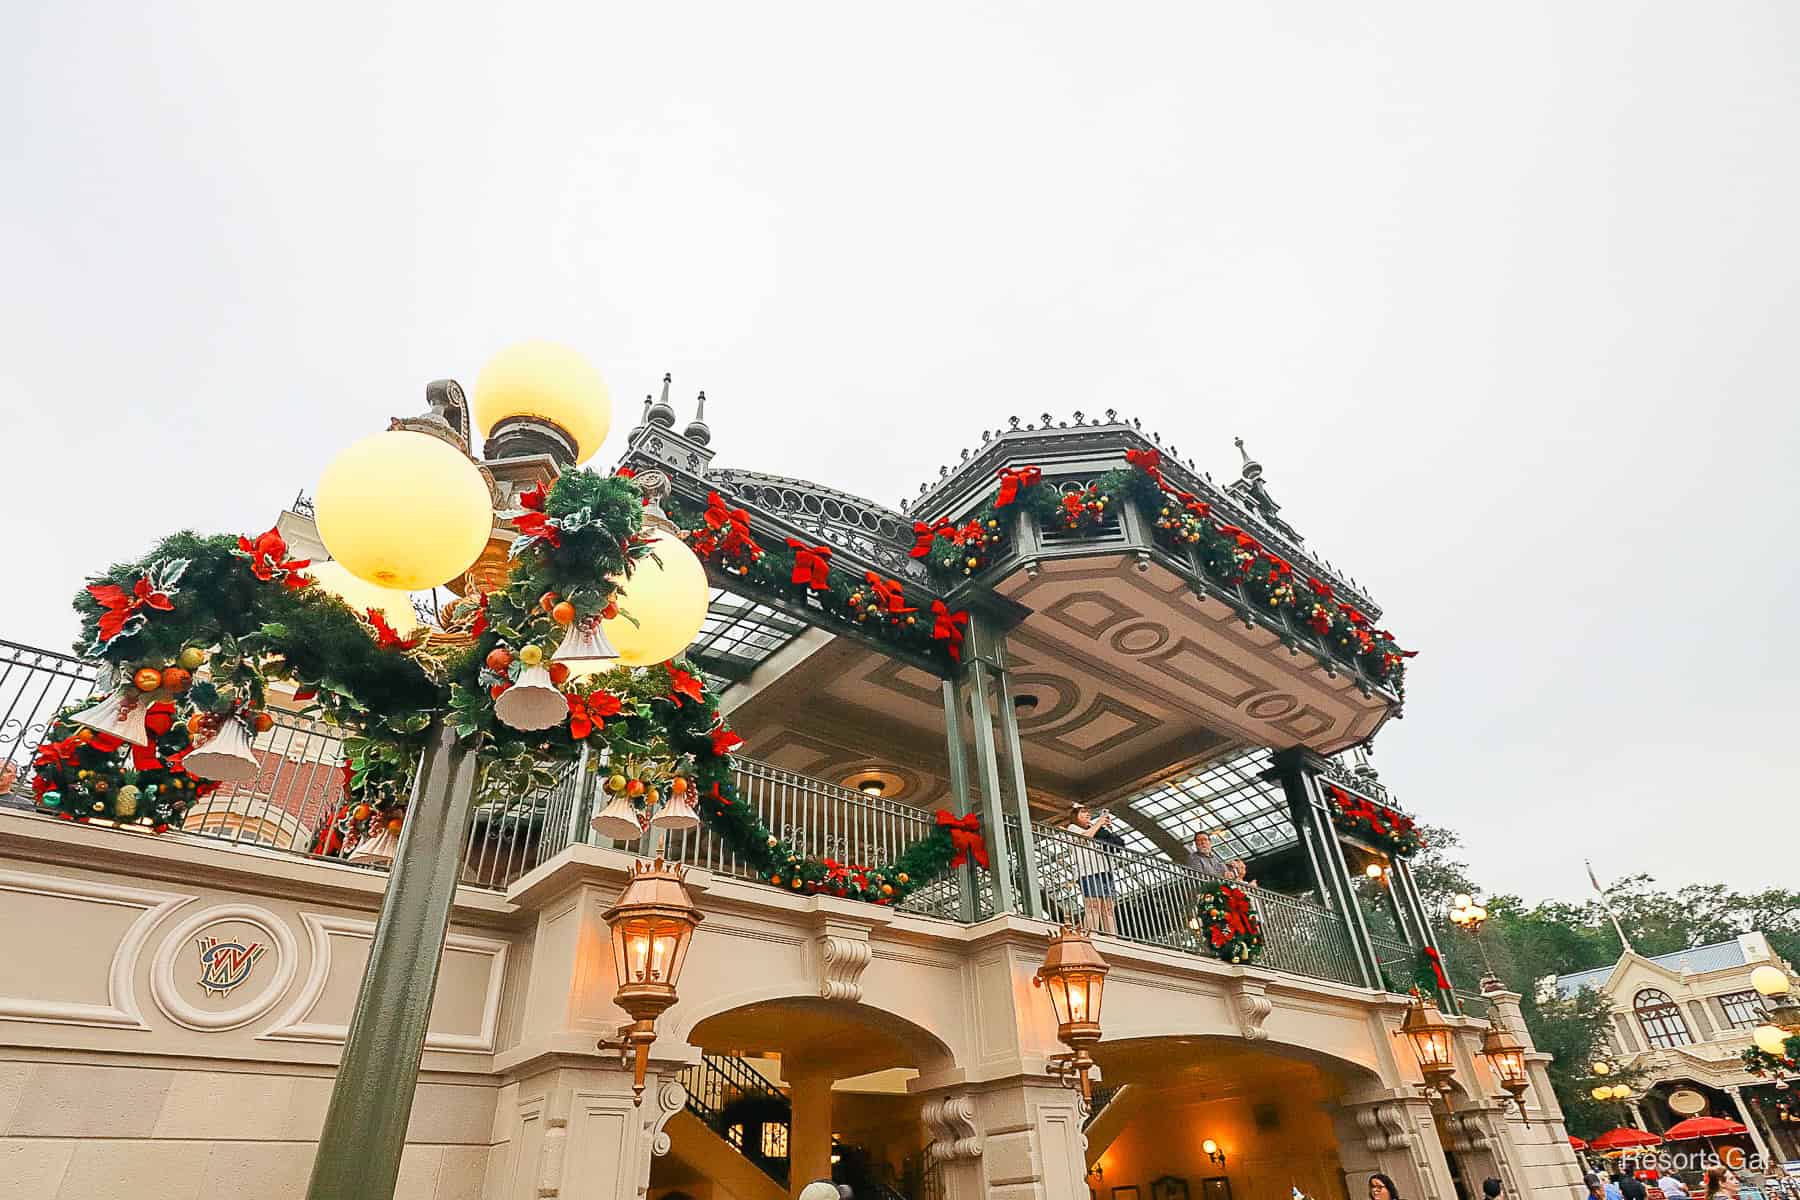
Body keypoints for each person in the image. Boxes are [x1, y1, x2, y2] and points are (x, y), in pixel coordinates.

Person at [1068, 805, 1124, 934]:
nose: (1087, 814)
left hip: (1105, 870)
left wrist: (1108, 829)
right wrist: (1099, 822)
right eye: (1083, 812)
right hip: (1088, 871)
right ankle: (1091, 934)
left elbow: (1113, 846)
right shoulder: (1072, 828)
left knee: (1108, 906)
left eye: (1088, 812)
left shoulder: (1097, 830)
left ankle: (1111, 936)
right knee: (1093, 904)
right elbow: (1084, 838)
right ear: (1075, 816)